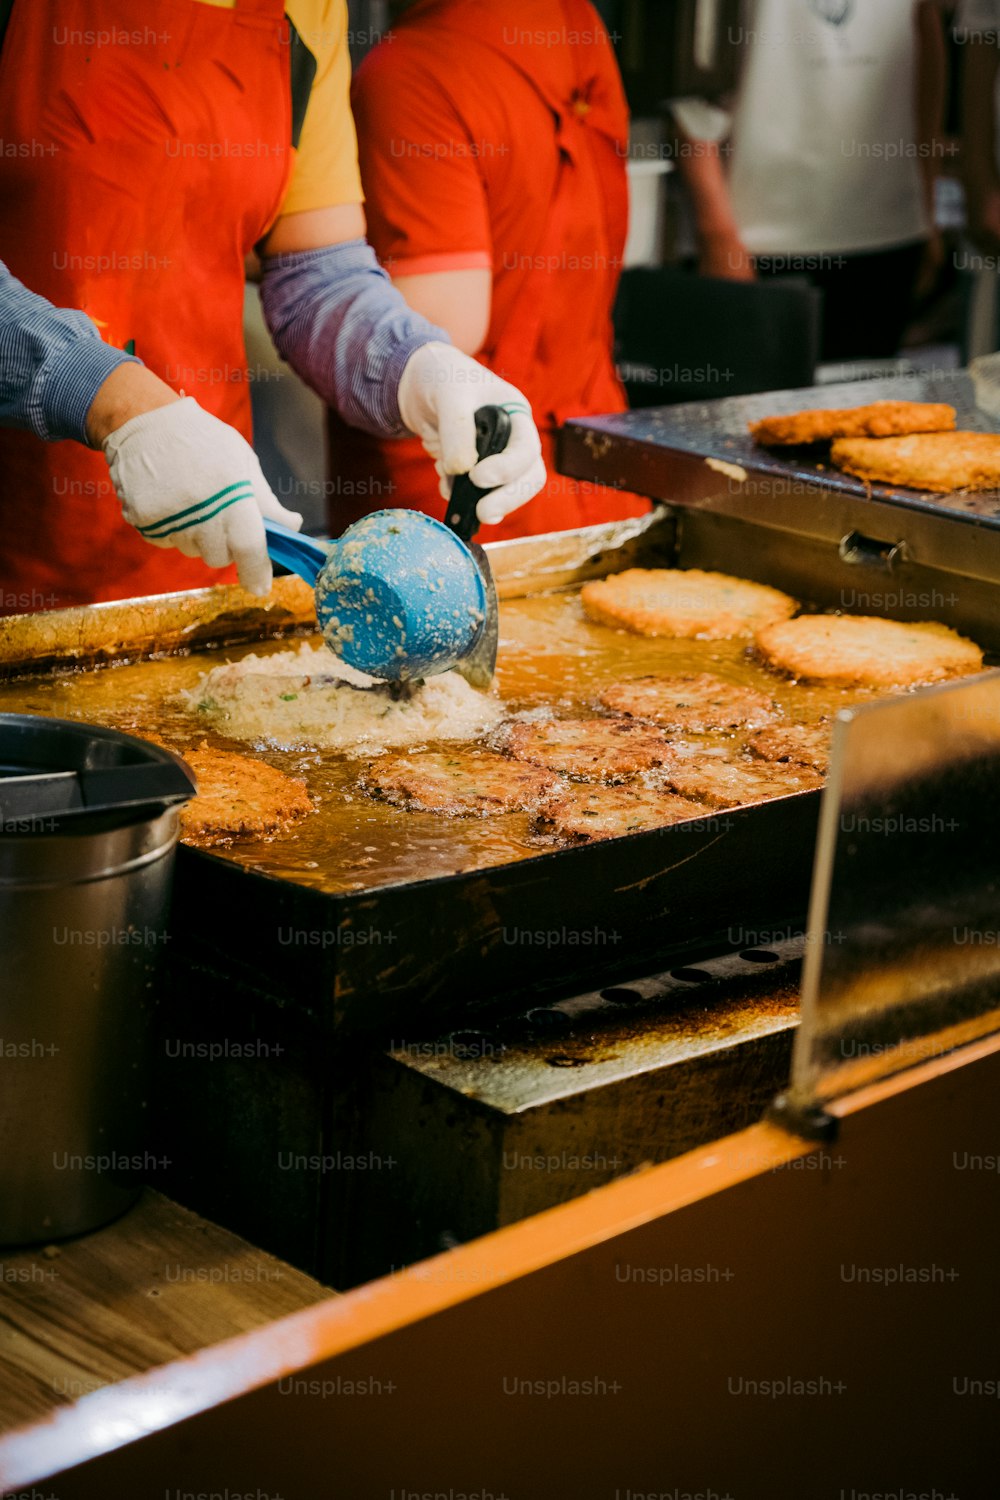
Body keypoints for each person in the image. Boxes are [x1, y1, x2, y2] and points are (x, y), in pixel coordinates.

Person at [0, 0, 545, 613]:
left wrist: (415, 364)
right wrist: (118, 403)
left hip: (207, 533)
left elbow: (316, 273)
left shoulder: (308, 11)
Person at [327, 0, 651, 539]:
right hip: (598, 470)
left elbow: (444, 325)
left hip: (467, 494)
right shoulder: (575, 22)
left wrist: (295, 258)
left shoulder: (411, 72)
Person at [672, 0, 945, 362]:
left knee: (868, 411)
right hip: (756, 237)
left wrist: (923, 202)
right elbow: (687, 59)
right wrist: (715, 232)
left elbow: (923, 34)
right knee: (745, 411)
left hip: (885, 231)